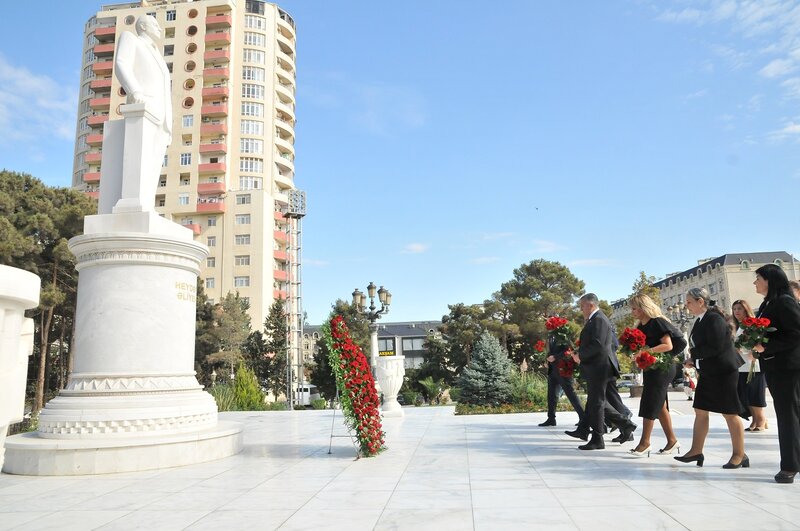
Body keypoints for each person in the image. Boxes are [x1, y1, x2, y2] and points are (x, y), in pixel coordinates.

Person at [675, 288, 746, 469]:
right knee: (700, 409)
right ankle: (696, 451)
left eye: (689, 302)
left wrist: (694, 355)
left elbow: (716, 347)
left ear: (700, 302)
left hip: (724, 371)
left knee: (730, 413)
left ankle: (739, 454)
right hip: (709, 371)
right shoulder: (701, 320)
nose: (687, 306)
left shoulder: (713, 319)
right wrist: (694, 359)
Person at [565, 293, 636, 450]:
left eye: (582, 306)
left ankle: (600, 438)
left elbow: (599, 346)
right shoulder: (594, 320)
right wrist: (578, 352)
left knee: (597, 403)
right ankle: (622, 425)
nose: (581, 309)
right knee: (595, 402)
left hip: (600, 367)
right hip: (597, 366)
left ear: (590, 305)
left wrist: (580, 356)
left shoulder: (599, 319)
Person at [752, 264, 800, 483]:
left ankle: (789, 466)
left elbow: (795, 334)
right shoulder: (767, 303)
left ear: (770, 280)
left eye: (758, 279)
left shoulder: (784, 302)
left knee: (789, 417)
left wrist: (766, 347)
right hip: (775, 367)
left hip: (788, 368)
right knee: (786, 415)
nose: (755, 283)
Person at [627, 293, 680, 457]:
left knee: (650, 402)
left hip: (663, 369)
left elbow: (668, 345)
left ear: (643, 308)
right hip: (651, 368)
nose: (632, 311)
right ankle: (672, 441)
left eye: (635, 308)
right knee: (659, 405)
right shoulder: (640, 326)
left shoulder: (657, 322)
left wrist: (646, 351)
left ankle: (645, 442)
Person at [731, 299, 768, 431]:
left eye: (739, 308)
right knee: (747, 395)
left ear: (746, 309)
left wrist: (742, 349)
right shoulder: (739, 326)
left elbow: (755, 343)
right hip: (742, 366)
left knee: (755, 394)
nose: (736, 312)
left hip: (753, 364)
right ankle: (754, 419)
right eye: (734, 309)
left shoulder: (752, 325)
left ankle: (761, 420)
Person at [539, 332, 585, 427]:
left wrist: (555, 357)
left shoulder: (563, 335)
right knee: (551, 395)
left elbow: (569, 350)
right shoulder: (550, 336)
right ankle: (551, 419)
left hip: (563, 369)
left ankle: (583, 418)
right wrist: (546, 360)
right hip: (552, 370)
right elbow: (549, 352)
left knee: (571, 394)